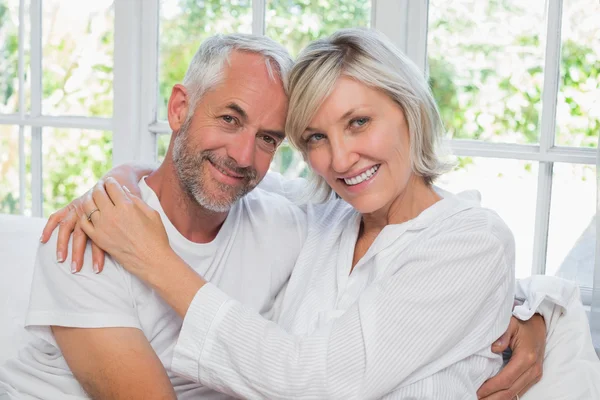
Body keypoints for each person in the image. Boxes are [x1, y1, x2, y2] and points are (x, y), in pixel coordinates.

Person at [0, 31, 546, 399]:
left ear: (410, 111)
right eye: (315, 138)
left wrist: (539, 311)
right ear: (179, 109)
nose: (340, 159)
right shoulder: (324, 218)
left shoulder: (464, 241)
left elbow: (322, 377)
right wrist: (119, 184)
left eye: (359, 122)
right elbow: (195, 177)